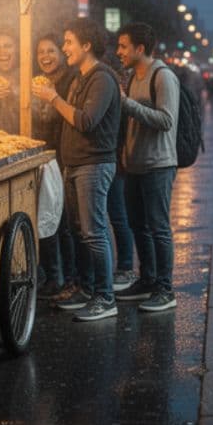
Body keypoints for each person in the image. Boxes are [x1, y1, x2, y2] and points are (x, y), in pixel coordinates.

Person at [32, 18, 121, 322]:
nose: (65, 48)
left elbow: (86, 121)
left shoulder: (102, 78)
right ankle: (87, 289)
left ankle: (105, 298)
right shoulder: (81, 77)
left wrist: (53, 99)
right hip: (73, 164)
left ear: (86, 45)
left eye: (69, 42)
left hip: (94, 164)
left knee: (95, 233)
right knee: (81, 232)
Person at [115, 23, 180, 312]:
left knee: (159, 228)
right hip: (135, 165)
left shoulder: (163, 76)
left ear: (140, 49)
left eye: (123, 46)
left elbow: (166, 121)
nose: (119, 52)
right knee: (137, 225)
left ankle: (165, 289)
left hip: (158, 165)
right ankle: (147, 280)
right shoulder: (131, 77)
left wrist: (127, 105)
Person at [32, 33, 78, 299]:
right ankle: (52, 277)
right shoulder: (37, 81)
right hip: (42, 155)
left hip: (61, 155)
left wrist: (49, 98)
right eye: (41, 52)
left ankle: (69, 279)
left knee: (64, 222)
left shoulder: (69, 81)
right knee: (46, 218)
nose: (45, 57)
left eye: (51, 51)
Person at [101, 49, 137, 292]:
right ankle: (123, 267)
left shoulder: (115, 89)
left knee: (118, 215)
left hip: (116, 160)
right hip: (115, 158)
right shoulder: (120, 86)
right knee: (116, 215)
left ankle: (125, 267)